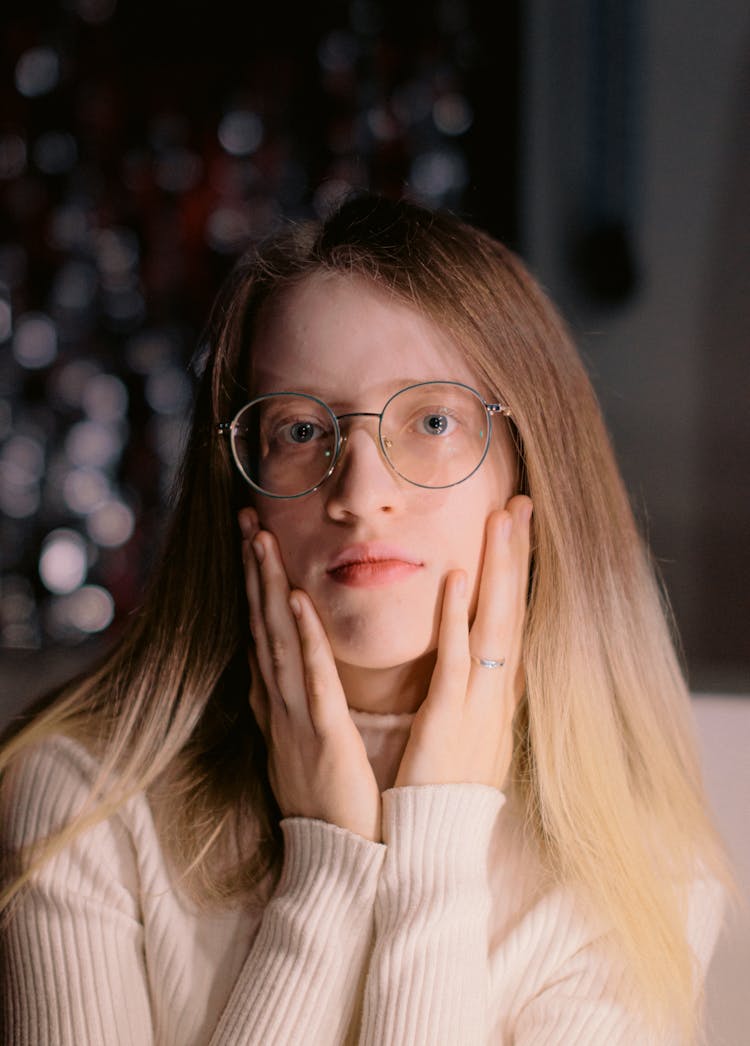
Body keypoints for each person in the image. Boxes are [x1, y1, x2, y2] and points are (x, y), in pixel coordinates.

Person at [0, 194, 735, 1045]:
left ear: (532, 471)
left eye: (431, 420)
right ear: (240, 492)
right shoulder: (84, 805)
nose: (359, 493)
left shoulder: (636, 867)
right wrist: (327, 875)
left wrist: (436, 845)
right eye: (301, 429)